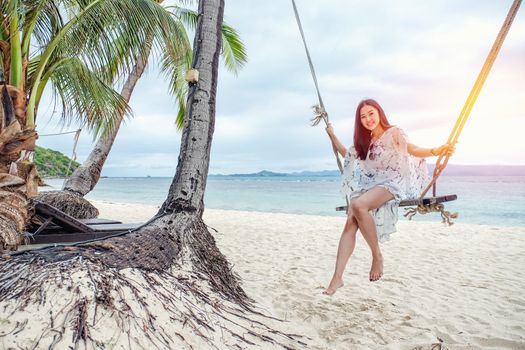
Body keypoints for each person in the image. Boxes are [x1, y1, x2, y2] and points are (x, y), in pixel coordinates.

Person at [323, 98, 454, 295]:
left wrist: (435, 150)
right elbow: (346, 154)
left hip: (391, 184)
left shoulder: (394, 133)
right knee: (351, 219)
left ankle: (377, 256)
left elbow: (412, 149)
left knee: (357, 205)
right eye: (363, 116)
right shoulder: (365, 143)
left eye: (371, 114)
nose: (368, 119)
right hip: (369, 186)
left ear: (379, 113)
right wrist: (332, 135)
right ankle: (337, 278)